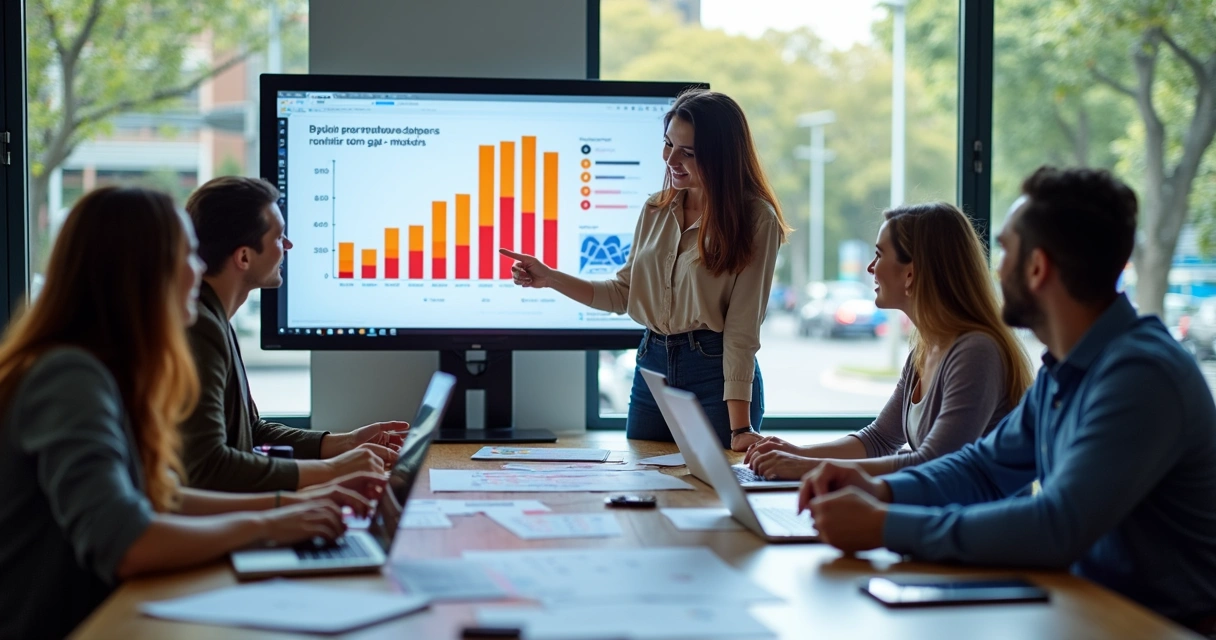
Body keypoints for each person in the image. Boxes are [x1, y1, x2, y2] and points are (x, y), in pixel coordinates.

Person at [798, 167, 1216, 630]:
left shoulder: (1140, 375)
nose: (994, 268)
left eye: (1004, 250)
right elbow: (980, 467)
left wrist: (884, 524)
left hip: (1155, 625)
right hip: (1082, 606)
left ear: (1037, 269)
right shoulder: (1067, 370)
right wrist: (878, 490)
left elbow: (1057, 526)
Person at [0, 187, 381, 639]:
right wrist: (271, 521)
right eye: (188, 255)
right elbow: (126, 539)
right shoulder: (67, 377)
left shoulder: (107, 369)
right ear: (145, 272)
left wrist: (291, 507)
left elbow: (161, 496)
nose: (200, 270)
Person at [501, 88, 790, 451]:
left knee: (712, 494)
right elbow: (623, 293)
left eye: (689, 152)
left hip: (713, 372)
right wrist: (550, 278)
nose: (672, 159)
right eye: (668, 144)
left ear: (722, 157)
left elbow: (741, 331)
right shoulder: (656, 209)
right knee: (643, 482)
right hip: (651, 364)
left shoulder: (755, 219)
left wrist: (739, 429)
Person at [744, 203, 1034, 479]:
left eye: (880, 255)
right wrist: (794, 453)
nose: (871, 268)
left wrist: (808, 466)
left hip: (972, 525)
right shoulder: (924, 348)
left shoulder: (976, 351)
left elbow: (934, 464)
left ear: (911, 273)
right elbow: (880, 439)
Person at [180, 176, 409, 492]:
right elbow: (209, 467)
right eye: (278, 237)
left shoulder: (215, 317)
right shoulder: (200, 327)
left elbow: (251, 432)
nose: (288, 245)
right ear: (244, 257)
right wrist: (331, 470)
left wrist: (345, 443)